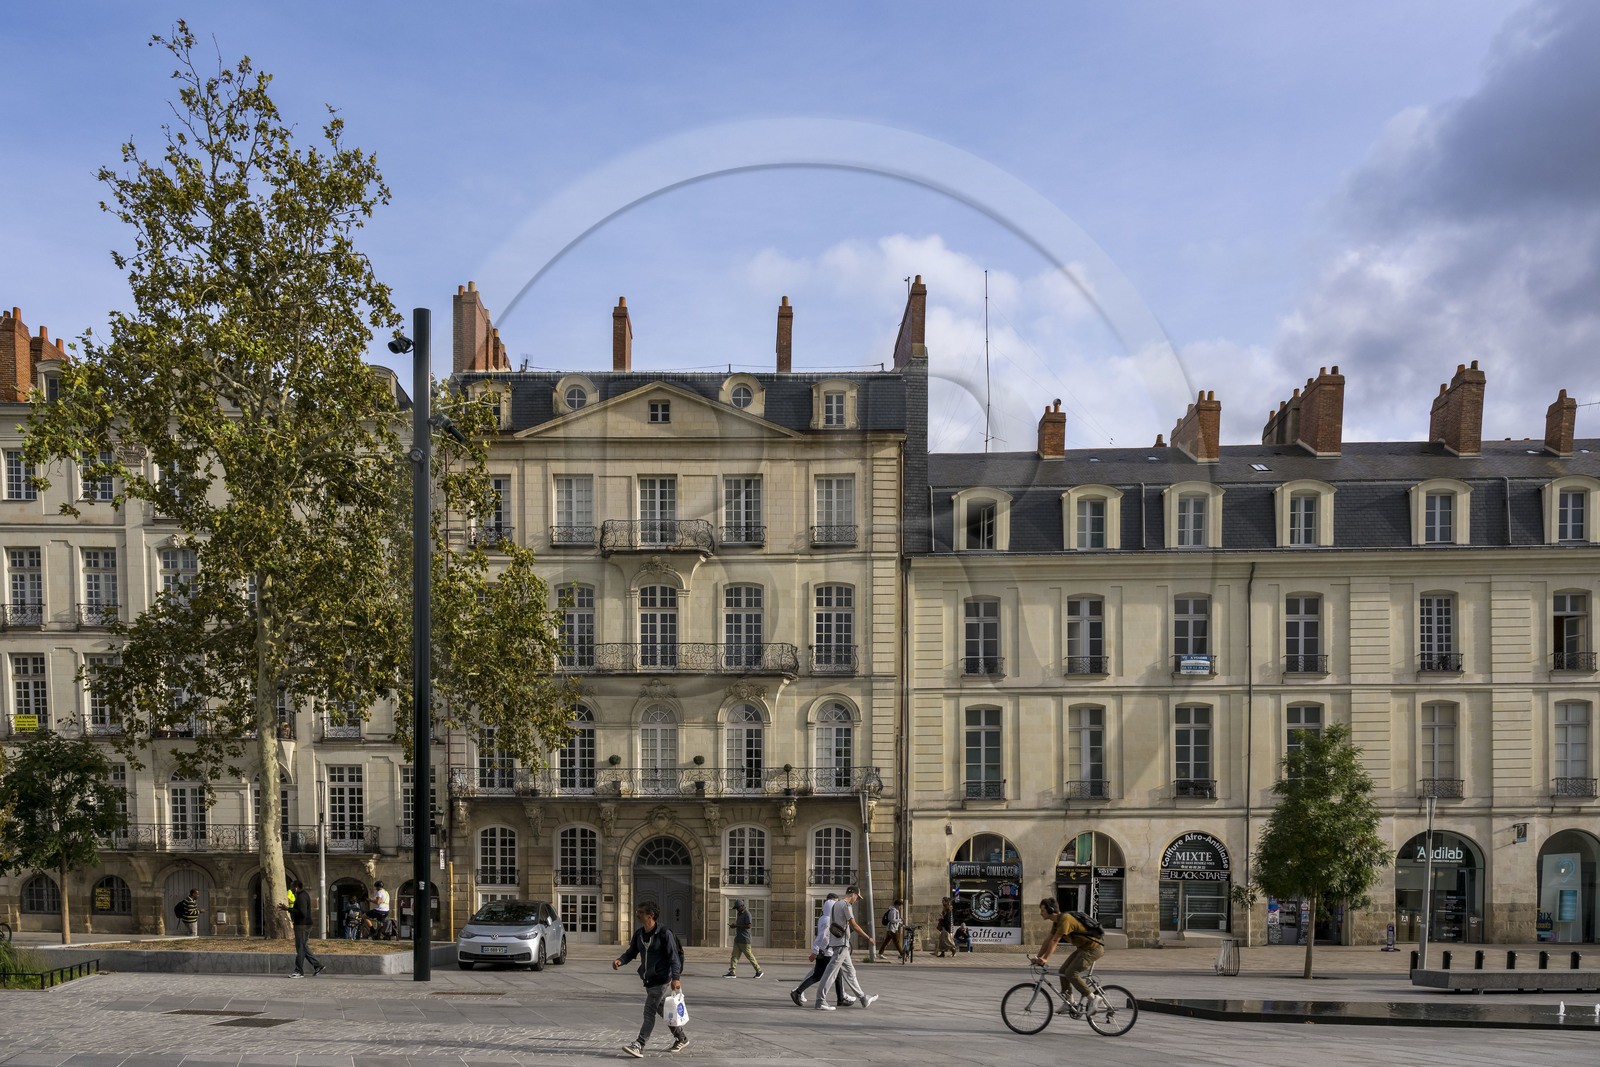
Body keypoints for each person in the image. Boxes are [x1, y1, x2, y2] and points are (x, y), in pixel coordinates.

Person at [613, 901, 690, 1057]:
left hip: (662, 978)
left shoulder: (664, 933)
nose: (637, 914)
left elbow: (674, 958)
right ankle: (681, 1037)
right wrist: (620, 960)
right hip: (648, 979)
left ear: (651, 915)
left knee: (649, 1012)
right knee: (663, 1010)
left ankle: (639, 1044)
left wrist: (676, 978)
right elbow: (631, 952)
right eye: (637, 911)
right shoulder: (639, 934)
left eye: (640, 912)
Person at [1029, 898, 1105, 1012]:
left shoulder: (1065, 920)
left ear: (1050, 910)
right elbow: (1048, 940)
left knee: (1071, 973)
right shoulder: (1056, 922)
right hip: (1083, 948)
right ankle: (1069, 1002)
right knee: (1062, 971)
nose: (1041, 913)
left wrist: (1045, 959)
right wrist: (1037, 957)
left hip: (1093, 949)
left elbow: (1055, 941)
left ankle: (1093, 998)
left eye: (1042, 910)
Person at [815, 885, 878, 1011]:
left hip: (837, 942)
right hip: (841, 944)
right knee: (830, 973)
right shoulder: (846, 905)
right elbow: (854, 925)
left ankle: (863, 998)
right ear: (853, 894)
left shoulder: (835, 905)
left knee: (850, 972)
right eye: (857, 898)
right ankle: (820, 1001)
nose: (856, 900)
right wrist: (868, 937)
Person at [790, 893, 853, 1008]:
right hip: (827, 953)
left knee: (824, 975)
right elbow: (822, 936)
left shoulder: (824, 917)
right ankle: (798, 992)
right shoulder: (828, 920)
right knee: (830, 975)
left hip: (825, 952)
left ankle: (840, 998)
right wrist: (815, 951)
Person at [276, 878, 324, 978]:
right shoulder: (302, 895)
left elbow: (302, 913)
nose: (291, 889)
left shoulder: (302, 897)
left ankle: (299, 971)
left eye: (292, 887)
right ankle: (317, 965)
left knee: (300, 948)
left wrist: (288, 909)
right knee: (303, 946)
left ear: (297, 888)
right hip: (303, 925)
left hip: (302, 925)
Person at [723, 899, 763, 978]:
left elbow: (748, 926)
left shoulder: (747, 914)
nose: (737, 909)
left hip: (745, 940)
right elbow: (740, 925)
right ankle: (732, 972)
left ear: (742, 906)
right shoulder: (739, 913)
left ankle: (759, 971)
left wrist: (736, 926)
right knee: (734, 956)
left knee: (749, 956)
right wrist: (733, 926)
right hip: (738, 939)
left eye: (737, 908)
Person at [876, 898, 906, 962]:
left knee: (887, 941)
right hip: (893, 929)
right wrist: (901, 920)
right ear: (897, 905)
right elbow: (892, 920)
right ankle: (902, 954)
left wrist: (902, 925)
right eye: (900, 905)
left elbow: (896, 921)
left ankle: (880, 953)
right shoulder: (893, 911)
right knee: (897, 942)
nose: (901, 907)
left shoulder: (895, 910)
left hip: (891, 929)